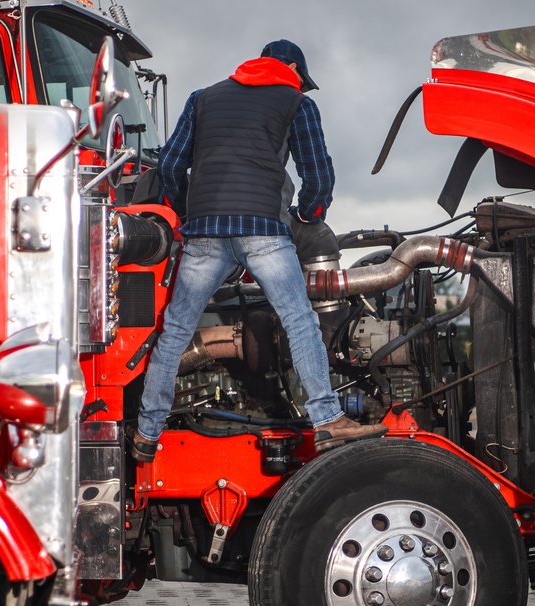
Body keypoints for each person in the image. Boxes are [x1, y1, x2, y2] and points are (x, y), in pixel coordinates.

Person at [131, 39, 385, 463]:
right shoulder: (296, 104)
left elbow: (171, 166)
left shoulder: (203, 98)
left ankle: (146, 434)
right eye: (300, 79)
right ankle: (327, 421)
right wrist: (308, 214)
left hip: (204, 232)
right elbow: (318, 175)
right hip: (262, 230)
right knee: (300, 320)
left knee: (175, 331)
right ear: (288, 67)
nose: (301, 88)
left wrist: (184, 213)